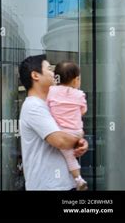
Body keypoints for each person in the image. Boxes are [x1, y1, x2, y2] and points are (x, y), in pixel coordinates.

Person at [18, 55, 88, 190]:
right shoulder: (33, 107)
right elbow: (60, 140)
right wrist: (78, 139)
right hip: (48, 186)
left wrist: (79, 142)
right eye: (49, 69)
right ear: (35, 75)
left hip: (62, 185)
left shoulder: (49, 105)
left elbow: (67, 134)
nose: (54, 73)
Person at [47, 61, 88, 190]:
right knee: (72, 155)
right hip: (77, 132)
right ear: (76, 80)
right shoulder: (79, 95)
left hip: (61, 132)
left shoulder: (51, 91)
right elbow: (83, 111)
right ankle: (77, 179)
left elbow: (48, 107)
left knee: (70, 157)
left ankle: (78, 179)